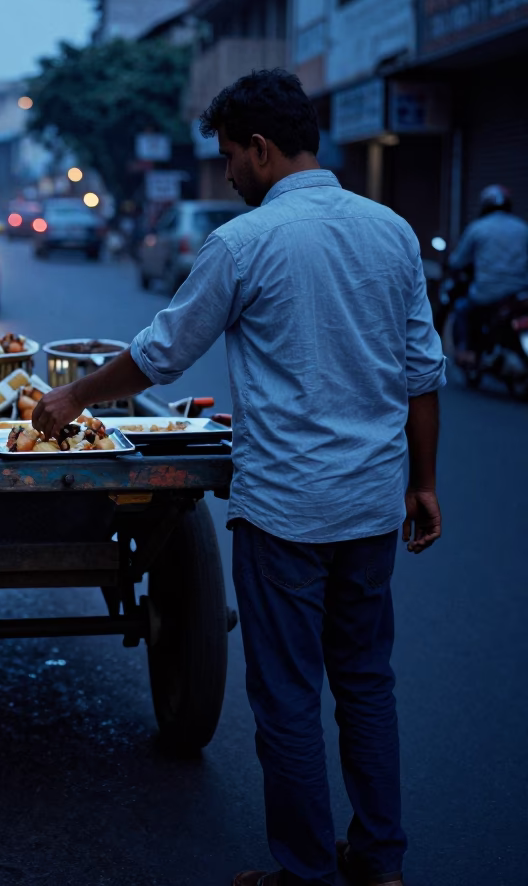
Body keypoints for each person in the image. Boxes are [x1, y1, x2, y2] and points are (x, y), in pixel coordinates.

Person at [34, 69, 445, 886]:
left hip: (287, 513)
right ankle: (381, 864)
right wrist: (423, 486)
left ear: (261, 149)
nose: (226, 173)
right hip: (369, 508)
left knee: (289, 699)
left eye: (229, 156)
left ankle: (304, 873)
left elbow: (160, 354)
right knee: (366, 688)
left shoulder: (245, 242)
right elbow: (421, 374)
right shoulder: (391, 230)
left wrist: (72, 396)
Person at [448, 184, 528, 359]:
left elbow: (457, 261)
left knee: (462, 309)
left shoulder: (477, 228)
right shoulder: (522, 227)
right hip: (521, 293)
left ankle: (467, 351)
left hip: (488, 293)